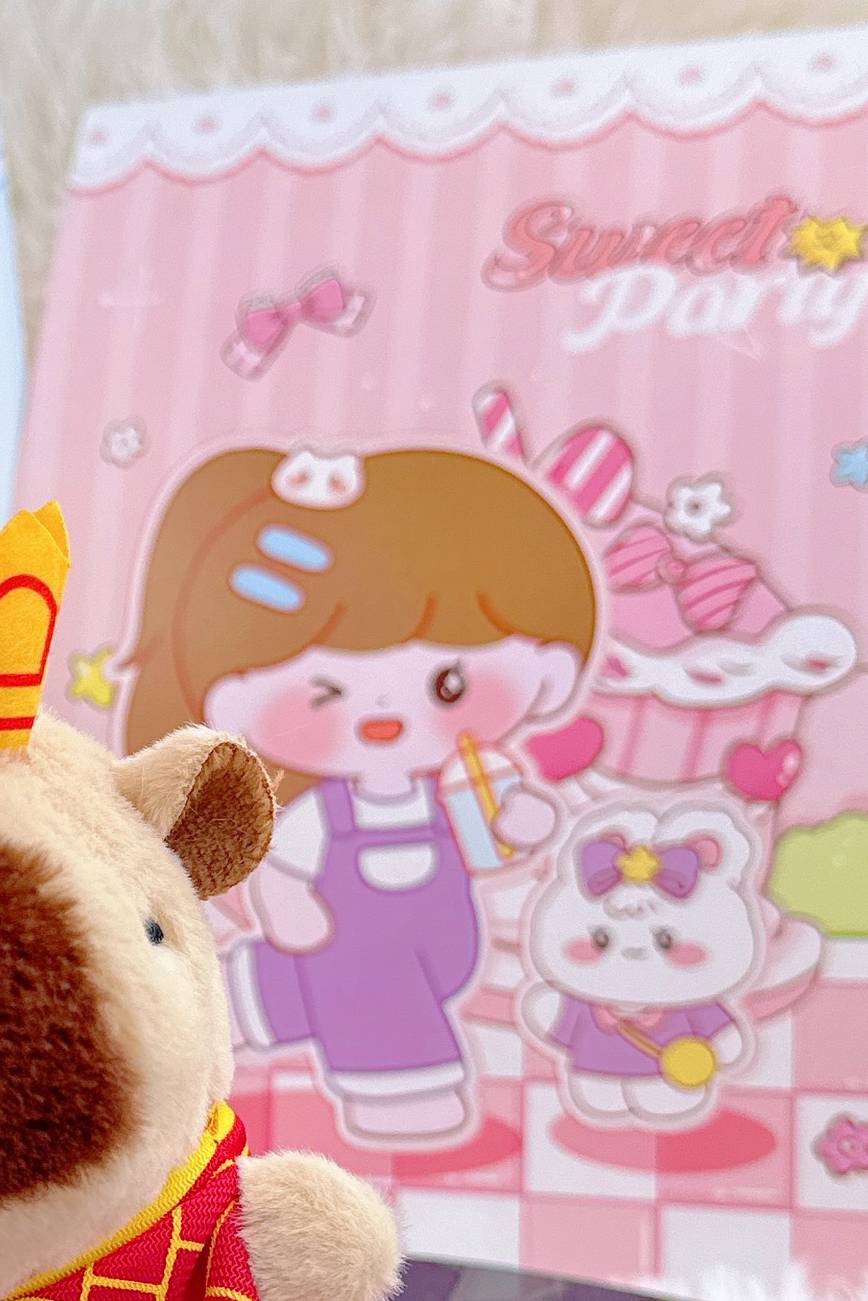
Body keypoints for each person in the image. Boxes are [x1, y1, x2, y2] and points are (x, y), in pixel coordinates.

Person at [126, 446, 595, 1141]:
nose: (385, 714)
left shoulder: (455, 790)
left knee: (349, 987)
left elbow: (486, 845)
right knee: (372, 992)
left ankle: (255, 1003)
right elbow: (283, 870)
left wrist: (520, 820)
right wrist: (287, 906)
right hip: (356, 967)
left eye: (447, 685)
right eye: (325, 692)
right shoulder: (324, 816)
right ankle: (398, 1091)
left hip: (441, 955)